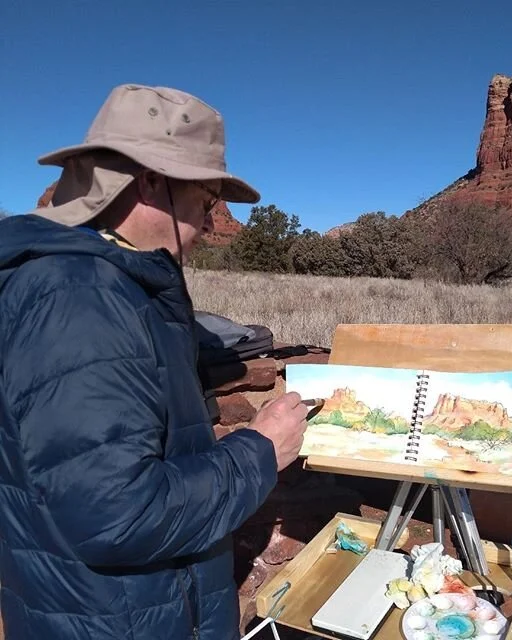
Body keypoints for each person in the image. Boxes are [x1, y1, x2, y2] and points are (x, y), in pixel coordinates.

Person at [0, 84, 308, 640]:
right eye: (206, 203)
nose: (212, 225)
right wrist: (261, 450)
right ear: (150, 182)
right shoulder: (78, 297)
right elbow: (117, 514)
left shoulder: (104, 283)